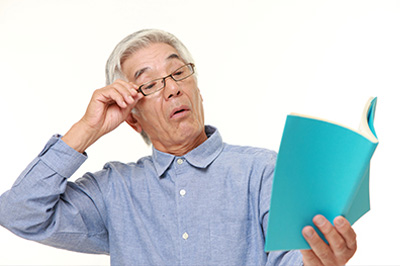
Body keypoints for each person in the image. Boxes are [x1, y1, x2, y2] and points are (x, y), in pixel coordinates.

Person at [0, 29, 357, 266]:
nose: (172, 89)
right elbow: (19, 213)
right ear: (133, 118)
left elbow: (295, 259)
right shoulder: (115, 190)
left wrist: (319, 261)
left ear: (198, 89)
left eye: (179, 73)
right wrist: (86, 129)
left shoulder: (263, 171)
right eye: (150, 84)